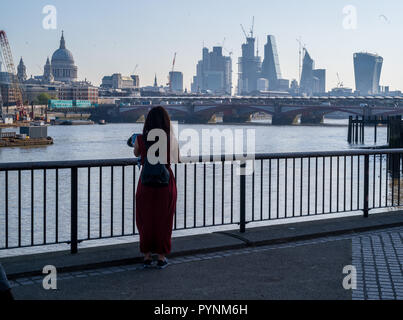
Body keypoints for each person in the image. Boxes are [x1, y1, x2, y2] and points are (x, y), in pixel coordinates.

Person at [134, 106, 179, 269]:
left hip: (146, 183)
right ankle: (161, 257)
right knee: (164, 220)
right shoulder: (170, 139)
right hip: (165, 184)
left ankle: (146, 256)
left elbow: (136, 153)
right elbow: (177, 157)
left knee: (145, 219)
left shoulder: (140, 138)